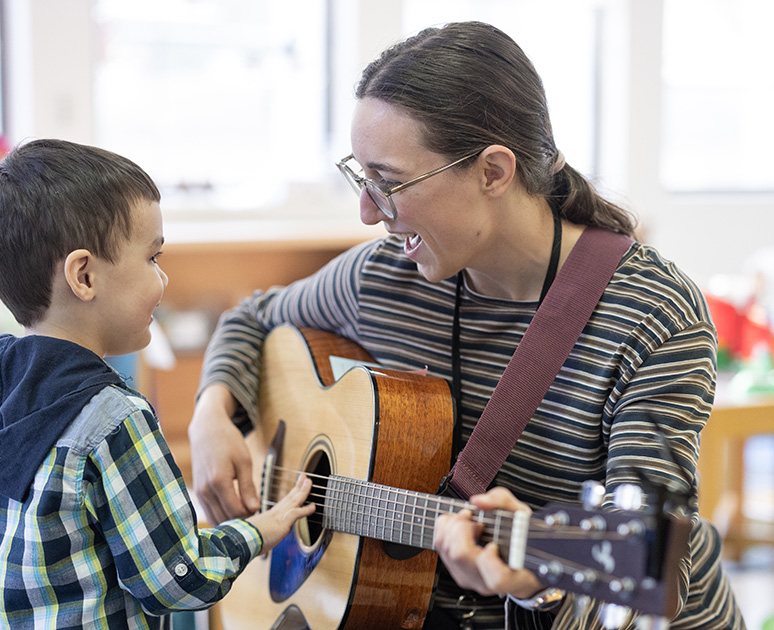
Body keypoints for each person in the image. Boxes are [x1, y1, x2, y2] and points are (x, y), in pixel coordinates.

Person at [187, 22, 745, 630]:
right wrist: (212, 414)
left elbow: (648, 567)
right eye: (361, 177)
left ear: (494, 172)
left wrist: (538, 588)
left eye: (389, 182)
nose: (368, 211)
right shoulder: (381, 278)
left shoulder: (651, 315)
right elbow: (255, 316)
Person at [0, 138, 315, 630]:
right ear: (84, 275)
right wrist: (259, 531)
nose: (163, 278)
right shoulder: (114, 421)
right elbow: (177, 579)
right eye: (153, 258)